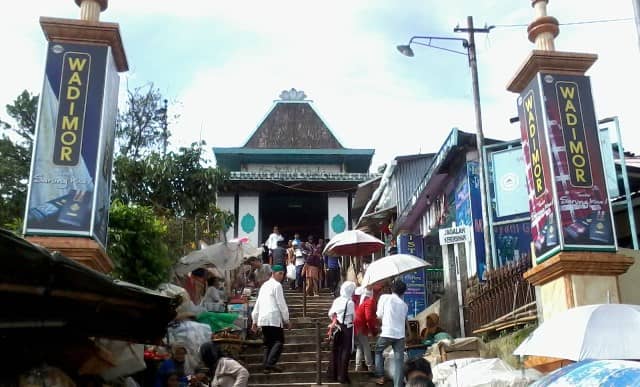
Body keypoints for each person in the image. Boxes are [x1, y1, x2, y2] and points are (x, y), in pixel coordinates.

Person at [251, 265, 291, 373]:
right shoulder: (277, 285)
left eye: (283, 274)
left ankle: (266, 365)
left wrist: (255, 320)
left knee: (268, 343)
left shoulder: (264, 286)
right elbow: (281, 303)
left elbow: (258, 303)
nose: (281, 276)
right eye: (280, 273)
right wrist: (286, 320)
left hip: (264, 318)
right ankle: (270, 363)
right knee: (278, 341)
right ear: (273, 273)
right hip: (273, 318)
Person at [374, 279, 409, 387]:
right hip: (400, 336)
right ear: (403, 292)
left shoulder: (384, 298)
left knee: (378, 351)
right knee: (399, 361)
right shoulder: (404, 305)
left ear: (392, 288)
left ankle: (380, 376)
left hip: (387, 333)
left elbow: (379, 315)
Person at [327, 281, 356, 385]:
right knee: (345, 352)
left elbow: (330, 313)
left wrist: (336, 320)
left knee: (336, 350)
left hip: (338, 327)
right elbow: (354, 317)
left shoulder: (337, 300)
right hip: (347, 328)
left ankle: (333, 374)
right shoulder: (350, 302)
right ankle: (342, 376)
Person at [354, 286, 378, 372]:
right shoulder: (369, 301)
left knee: (360, 346)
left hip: (357, 325)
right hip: (360, 326)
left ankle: (358, 367)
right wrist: (373, 331)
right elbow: (369, 318)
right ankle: (370, 366)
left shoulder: (364, 301)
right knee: (366, 346)